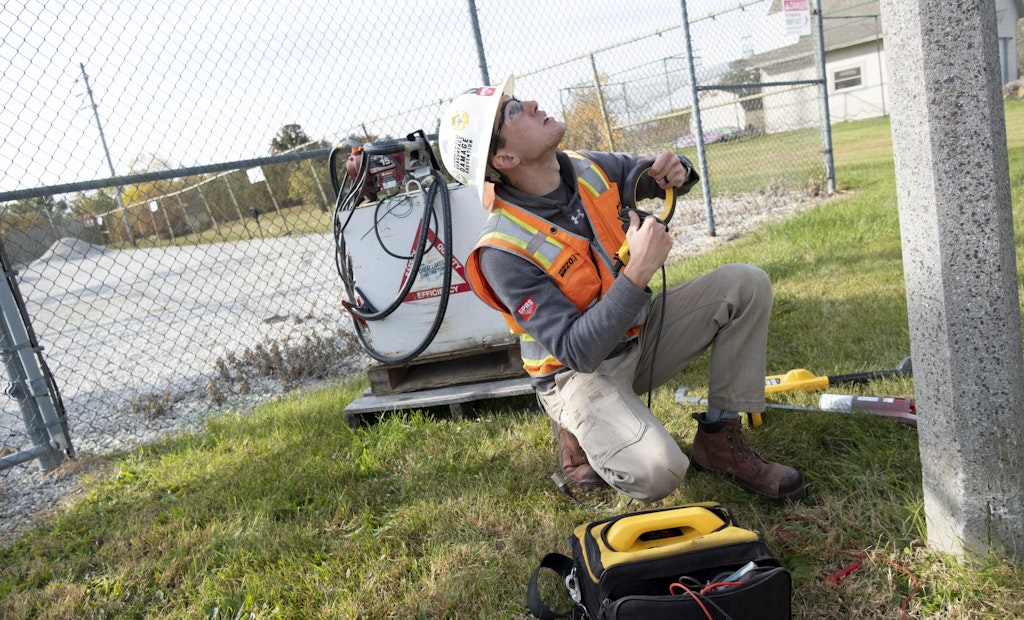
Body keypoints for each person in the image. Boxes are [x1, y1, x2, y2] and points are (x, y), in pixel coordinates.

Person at [438, 75, 805, 503]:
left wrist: (678, 170)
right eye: (513, 110)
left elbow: (654, 177)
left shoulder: (586, 165)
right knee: (658, 471)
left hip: (639, 338)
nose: (533, 103)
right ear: (504, 157)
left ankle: (720, 442)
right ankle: (574, 426)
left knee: (745, 284)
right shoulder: (503, 251)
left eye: (519, 99)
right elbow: (577, 351)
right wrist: (639, 270)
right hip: (577, 376)